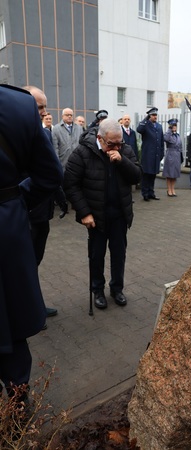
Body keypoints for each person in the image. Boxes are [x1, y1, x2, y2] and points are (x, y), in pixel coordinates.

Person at [0, 84, 63, 403]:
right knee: (13, 319)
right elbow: (51, 175)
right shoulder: (18, 105)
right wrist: (13, 202)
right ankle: (16, 404)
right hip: (7, 228)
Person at [64, 118, 142, 309]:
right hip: (96, 216)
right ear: (100, 138)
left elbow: (137, 175)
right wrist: (84, 213)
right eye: (111, 144)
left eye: (119, 143)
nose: (116, 147)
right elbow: (70, 185)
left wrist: (122, 161)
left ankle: (117, 289)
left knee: (119, 254)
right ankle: (97, 290)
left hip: (119, 214)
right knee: (96, 256)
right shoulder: (83, 152)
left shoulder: (125, 151)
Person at [23, 86, 68, 329]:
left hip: (43, 214)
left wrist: (61, 199)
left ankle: (35, 306)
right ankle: (29, 313)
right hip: (25, 214)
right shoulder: (15, 135)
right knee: (24, 266)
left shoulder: (43, 133)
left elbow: (50, 172)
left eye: (44, 107)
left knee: (35, 262)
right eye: (39, 107)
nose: (44, 112)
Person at [137, 107, 164, 201]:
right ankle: (145, 193)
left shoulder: (159, 126)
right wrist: (145, 119)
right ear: (149, 116)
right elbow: (139, 129)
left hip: (156, 155)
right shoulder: (145, 125)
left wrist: (161, 153)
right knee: (146, 175)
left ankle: (151, 192)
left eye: (156, 115)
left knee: (153, 175)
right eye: (153, 115)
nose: (155, 117)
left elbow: (161, 141)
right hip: (148, 155)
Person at [162, 119, 182, 197]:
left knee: (175, 174)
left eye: (175, 126)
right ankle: (169, 190)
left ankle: (173, 189)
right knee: (169, 174)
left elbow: (180, 145)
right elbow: (166, 139)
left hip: (177, 156)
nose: (174, 127)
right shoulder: (168, 134)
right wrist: (169, 130)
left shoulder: (178, 135)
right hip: (170, 155)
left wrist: (181, 156)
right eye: (173, 126)